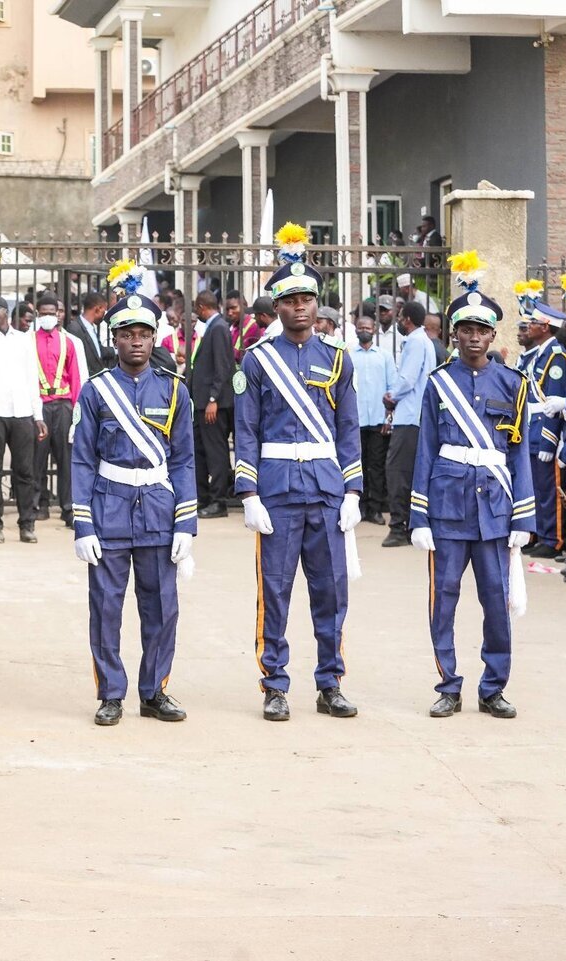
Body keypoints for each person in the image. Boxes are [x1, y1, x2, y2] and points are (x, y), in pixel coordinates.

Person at [234, 223, 362, 722]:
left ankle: (330, 682)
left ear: (317, 302)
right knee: (277, 592)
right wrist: (248, 493)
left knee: (331, 590)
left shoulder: (337, 358)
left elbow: (348, 427)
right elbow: (245, 429)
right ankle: (275, 684)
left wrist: (353, 489)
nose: (300, 307)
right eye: (290, 300)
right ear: (277, 307)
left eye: (307, 297)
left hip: (327, 491)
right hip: (278, 490)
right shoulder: (258, 361)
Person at [410, 252, 532, 719]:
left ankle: (493, 687)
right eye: (466, 329)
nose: (474, 337)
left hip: (495, 510)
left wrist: (523, 515)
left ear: (493, 334)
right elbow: (425, 450)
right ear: (455, 333)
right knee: (443, 601)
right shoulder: (439, 384)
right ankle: (448, 685)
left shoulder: (514, 384)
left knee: (496, 605)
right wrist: (418, 515)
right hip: (445, 507)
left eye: (482, 330)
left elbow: (517, 453)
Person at [71, 278, 197, 727]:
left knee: (162, 606)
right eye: (127, 334)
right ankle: (110, 692)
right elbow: (82, 459)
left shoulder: (174, 389)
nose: (136, 341)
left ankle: (154, 690)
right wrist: (82, 524)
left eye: (144, 333)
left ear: (154, 336)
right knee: (106, 606)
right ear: (115, 338)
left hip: (159, 510)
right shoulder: (96, 390)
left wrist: (186, 523)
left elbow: (184, 460)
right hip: (109, 506)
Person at [0, 295, 45, 544]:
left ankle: (27, 524)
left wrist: (38, 415)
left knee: (25, 471)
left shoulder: (25, 341)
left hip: (22, 411)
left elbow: (31, 378)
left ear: (6, 312)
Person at [381, 300, 437, 547]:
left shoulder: (415, 341)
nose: (399, 322)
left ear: (408, 320)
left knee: (397, 472)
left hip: (409, 416)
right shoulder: (423, 341)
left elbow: (408, 378)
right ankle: (410, 523)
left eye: (401, 318)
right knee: (410, 472)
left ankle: (398, 527)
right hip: (414, 416)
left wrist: (392, 395)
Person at [516, 302, 566, 558]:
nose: (529, 327)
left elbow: (554, 403)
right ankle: (538, 534)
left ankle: (553, 538)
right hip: (531, 429)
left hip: (544, 432)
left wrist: (549, 442)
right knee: (536, 489)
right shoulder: (539, 353)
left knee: (549, 490)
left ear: (546, 327)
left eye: (534, 323)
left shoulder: (557, 357)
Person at [32, 292, 83, 526]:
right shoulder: (29, 341)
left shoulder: (69, 342)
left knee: (66, 459)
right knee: (37, 458)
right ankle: (39, 504)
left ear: (58, 315)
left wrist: (76, 413)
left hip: (63, 404)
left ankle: (68, 508)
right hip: (39, 405)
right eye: (43, 314)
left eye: (51, 314)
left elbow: (75, 378)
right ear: (37, 315)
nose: (47, 318)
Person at [188, 292, 235, 518]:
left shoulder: (219, 328)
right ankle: (203, 497)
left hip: (212, 404)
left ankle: (219, 501)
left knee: (216, 453)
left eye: (197, 309)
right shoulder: (213, 327)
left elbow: (223, 366)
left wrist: (213, 399)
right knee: (200, 451)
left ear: (201, 306)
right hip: (202, 403)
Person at [350, 314, 397, 526]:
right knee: (358, 465)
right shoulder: (349, 355)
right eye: (361, 327)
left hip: (379, 419)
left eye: (368, 327)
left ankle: (375, 508)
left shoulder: (385, 356)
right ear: (355, 329)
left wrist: (390, 417)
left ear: (374, 329)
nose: (364, 330)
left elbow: (392, 388)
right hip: (356, 420)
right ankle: (359, 506)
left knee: (376, 466)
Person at [68, 290, 113, 374]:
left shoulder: (90, 327)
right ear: (98, 309)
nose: (104, 315)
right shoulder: (75, 329)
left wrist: (118, 350)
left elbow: (99, 351)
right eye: (104, 311)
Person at [226, 290, 260, 359]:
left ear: (245, 305)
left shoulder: (254, 326)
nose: (230, 312)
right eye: (227, 309)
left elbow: (245, 355)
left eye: (233, 308)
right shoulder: (233, 327)